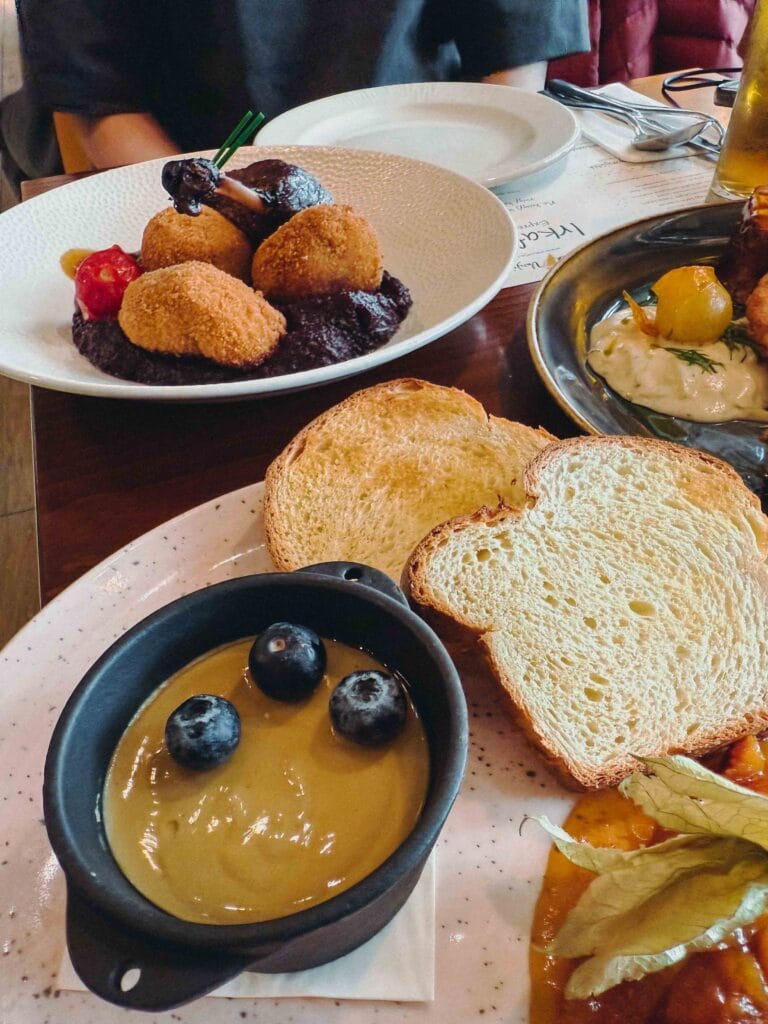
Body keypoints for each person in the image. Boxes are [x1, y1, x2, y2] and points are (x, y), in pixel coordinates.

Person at [3, 0, 589, 183]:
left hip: (431, 158)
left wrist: (476, 176)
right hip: (190, 166)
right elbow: (99, 109)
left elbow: (514, 53)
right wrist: (227, 207)